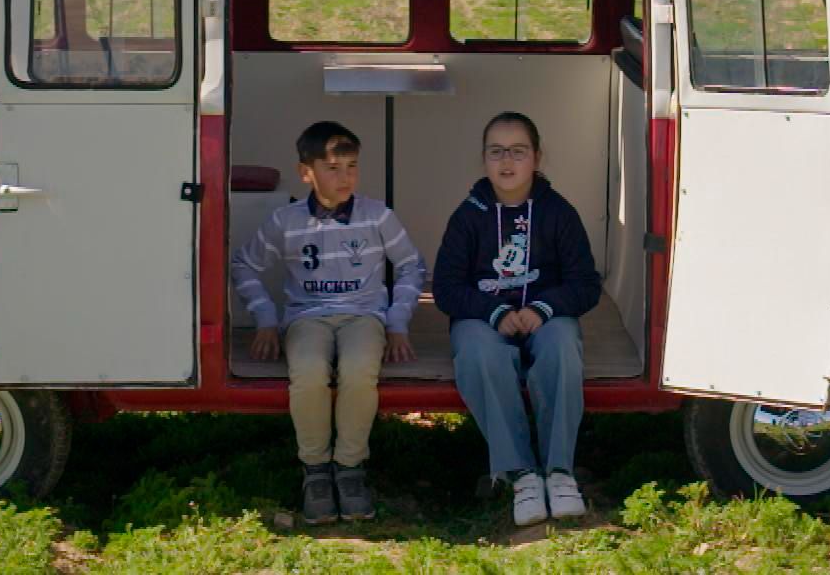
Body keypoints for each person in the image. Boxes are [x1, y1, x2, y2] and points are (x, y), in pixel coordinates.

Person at [230, 121, 424, 525]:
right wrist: (265, 318)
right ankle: (316, 470)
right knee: (309, 371)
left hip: (363, 316)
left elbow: (410, 265)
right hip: (307, 317)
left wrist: (397, 321)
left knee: (358, 369)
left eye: (352, 166)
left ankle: (349, 468)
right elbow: (243, 264)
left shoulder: (377, 216)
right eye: (333, 168)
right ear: (306, 172)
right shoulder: (286, 220)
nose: (345, 177)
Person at [433, 111, 601, 527]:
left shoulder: (558, 213)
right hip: (485, 319)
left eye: (518, 151)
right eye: (496, 152)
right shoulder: (468, 216)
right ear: (483, 159)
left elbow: (585, 284)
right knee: (479, 353)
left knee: (562, 345)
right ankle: (522, 474)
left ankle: (559, 472)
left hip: (544, 317)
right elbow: (446, 288)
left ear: (537, 157)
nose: (506, 161)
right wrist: (493, 312)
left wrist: (544, 309)